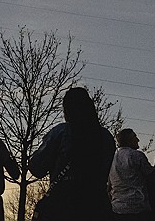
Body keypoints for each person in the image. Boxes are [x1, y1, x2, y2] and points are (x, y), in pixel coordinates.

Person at [29, 86, 117, 221]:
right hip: (97, 206)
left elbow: (37, 168)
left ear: (67, 110)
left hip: (63, 206)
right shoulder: (106, 137)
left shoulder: (61, 133)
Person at [109, 128, 155, 220]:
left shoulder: (113, 158)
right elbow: (153, 176)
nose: (138, 140)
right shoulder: (137, 155)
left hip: (117, 208)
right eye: (135, 137)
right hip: (137, 207)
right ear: (129, 140)